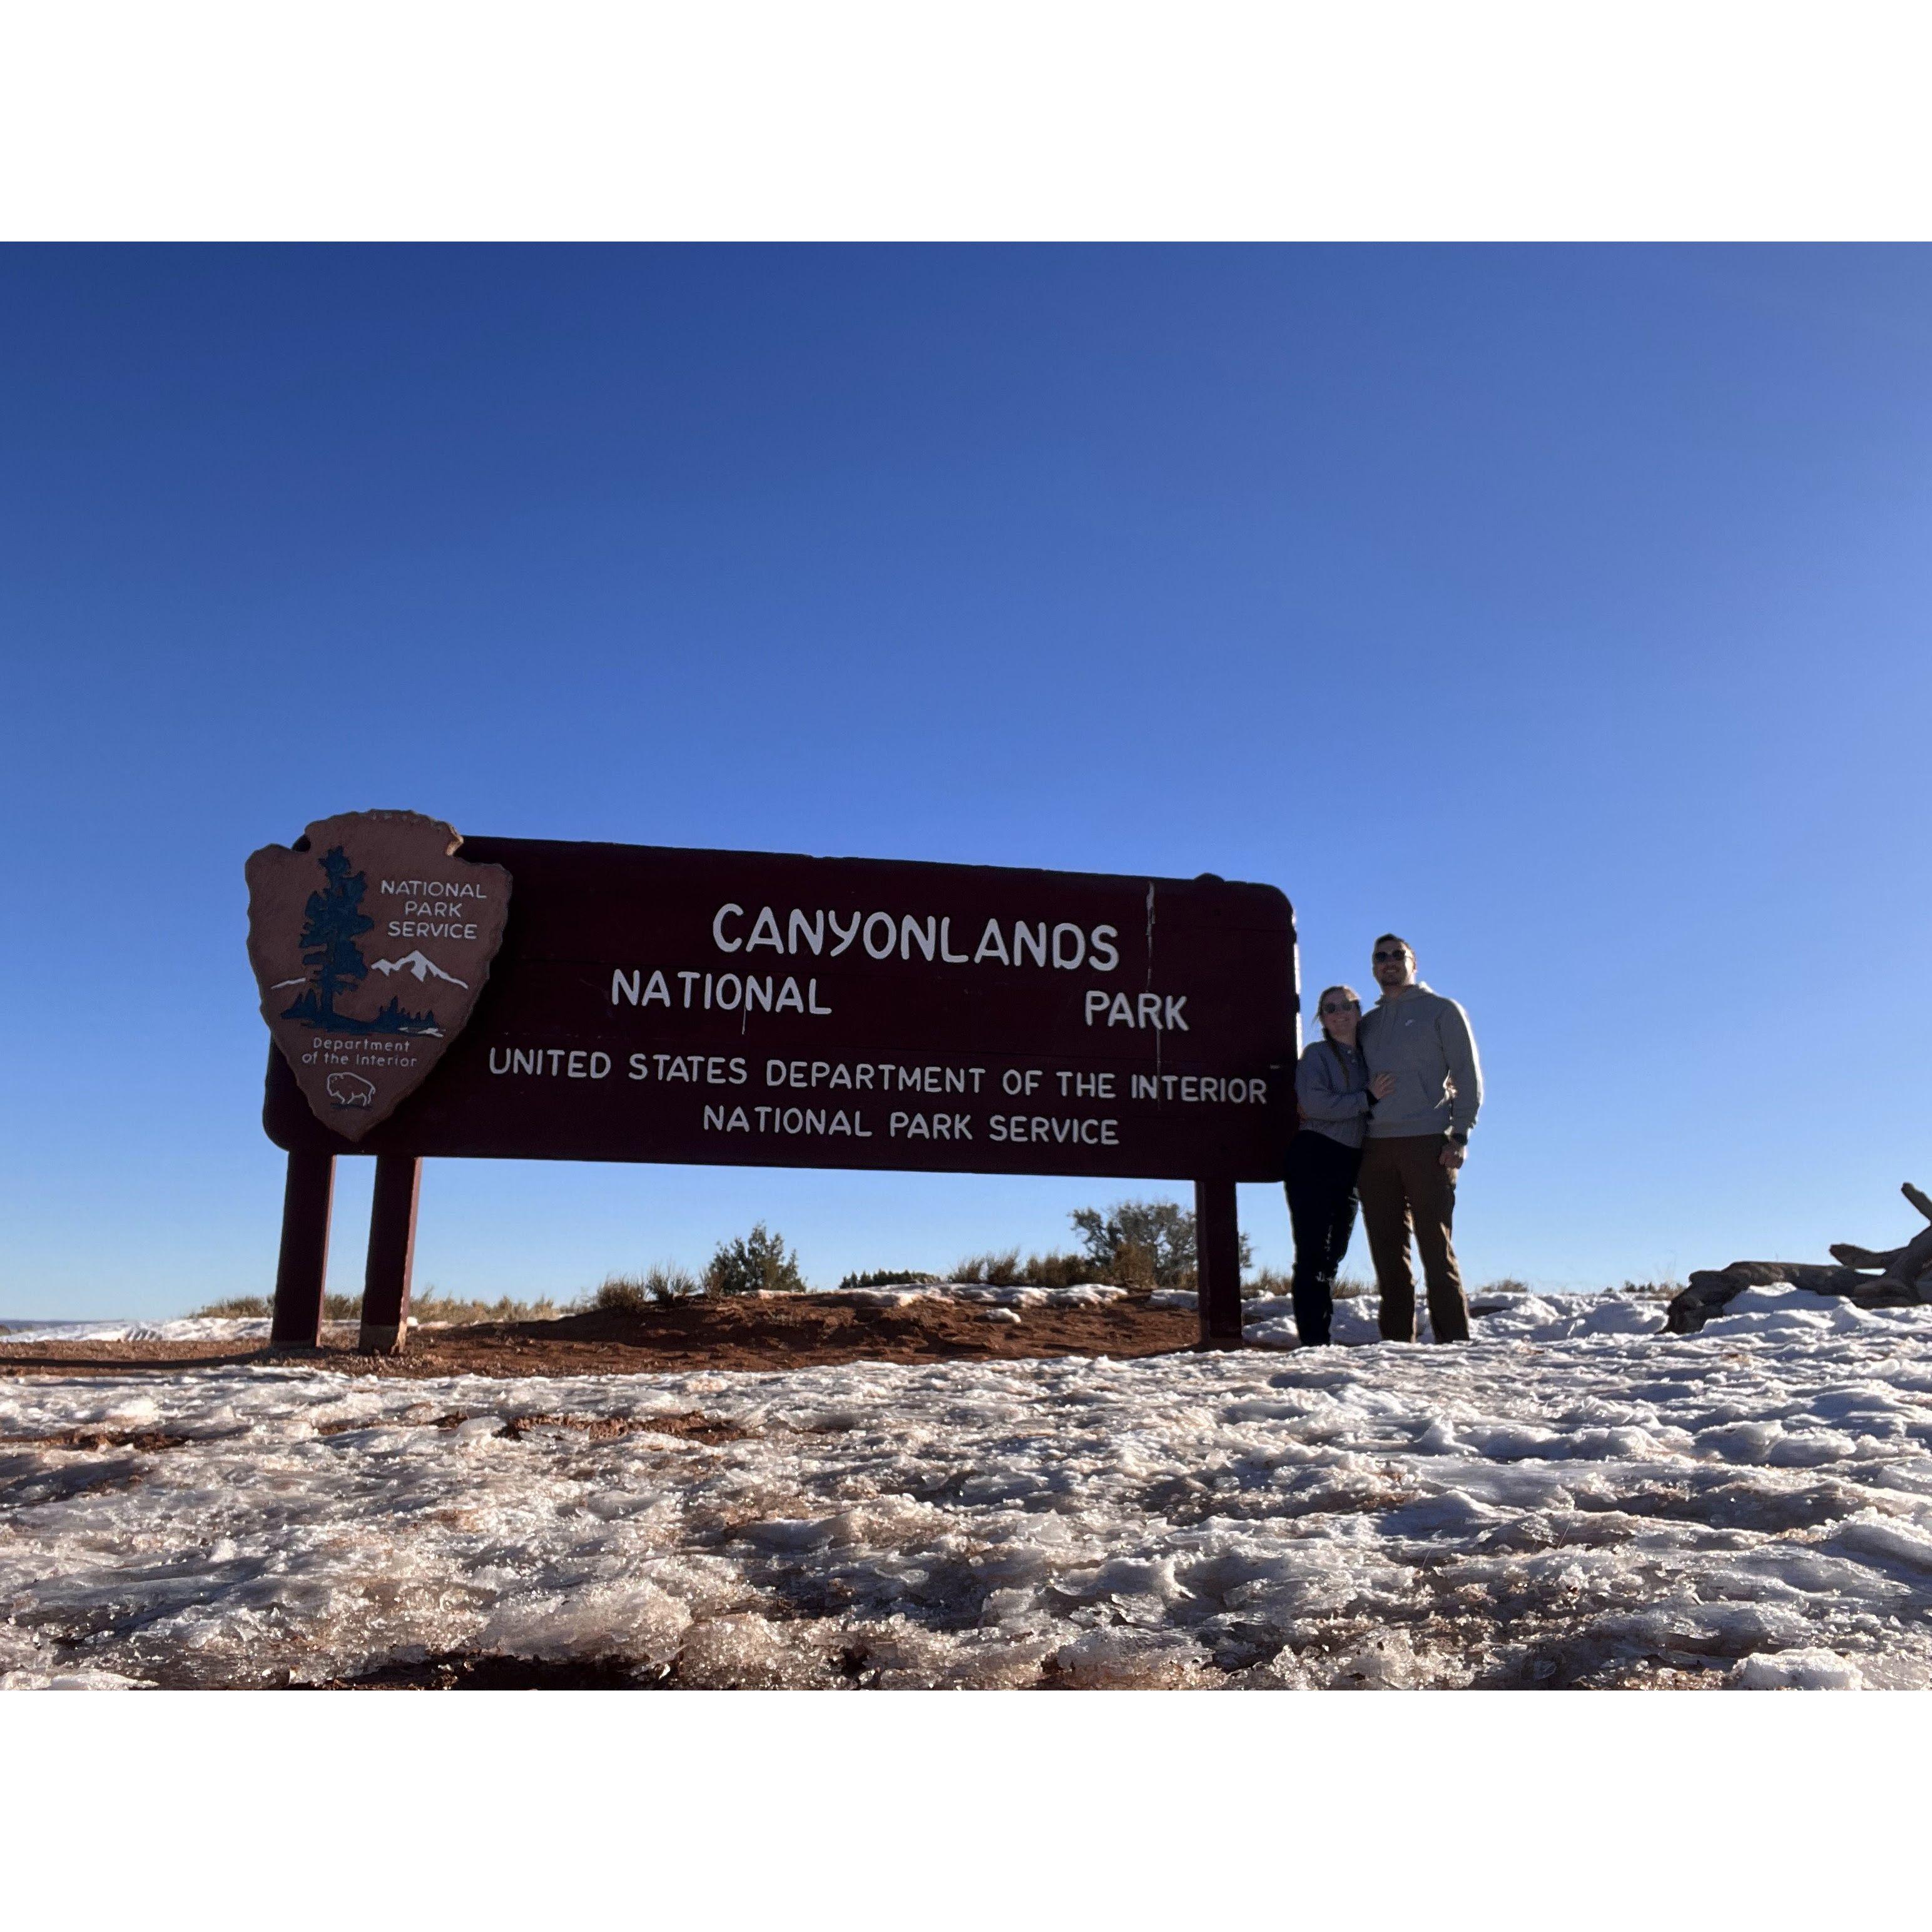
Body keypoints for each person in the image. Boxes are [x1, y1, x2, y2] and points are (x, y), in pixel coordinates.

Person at [1356, 934, 1483, 1344]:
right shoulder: (1368, 1024)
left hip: (1428, 1142)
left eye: (1398, 955)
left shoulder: (1442, 1011)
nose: (1389, 962)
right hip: (1374, 1148)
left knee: (1435, 1250)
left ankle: (1456, 1348)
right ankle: (1394, 1349)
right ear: (1373, 967)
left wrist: (1459, 1135)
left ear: (1414, 962)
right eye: (1381, 957)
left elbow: (1467, 1076)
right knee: (1389, 1257)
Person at [1284, 984, 1395, 1345]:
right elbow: (1315, 1105)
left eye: (1346, 1006)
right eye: (1330, 1009)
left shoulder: (1370, 1057)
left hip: (1351, 1161)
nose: (1338, 1013)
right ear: (1323, 1019)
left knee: (1335, 1253)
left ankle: (1321, 1337)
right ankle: (1314, 1342)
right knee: (1313, 1252)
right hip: (1314, 1155)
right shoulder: (1316, 1056)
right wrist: (1366, 1099)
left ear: (1358, 1011)